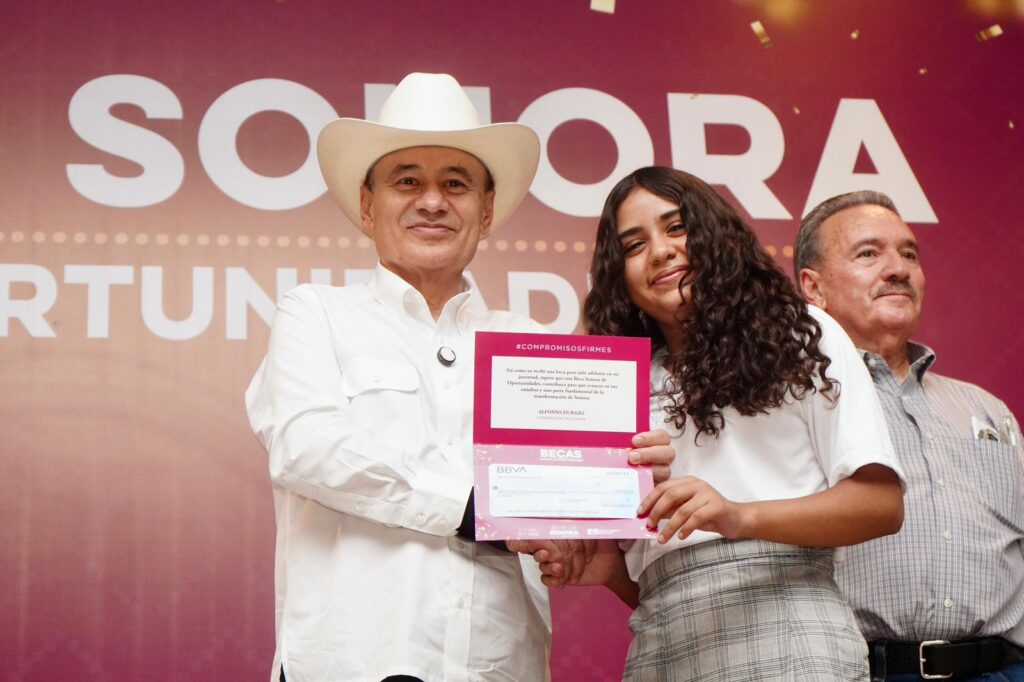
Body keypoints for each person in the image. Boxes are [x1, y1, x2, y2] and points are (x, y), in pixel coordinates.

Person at [245, 73, 673, 682]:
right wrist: (475, 507)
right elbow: (307, 449)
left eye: (455, 183)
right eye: (407, 181)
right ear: (367, 206)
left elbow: (576, 508)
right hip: (351, 660)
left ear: (486, 210)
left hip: (495, 664)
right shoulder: (315, 314)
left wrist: (624, 481)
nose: (432, 202)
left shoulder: (536, 344)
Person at [517, 167, 905, 681]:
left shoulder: (801, 334)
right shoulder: (623, 382)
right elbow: (667, 583)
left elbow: (881, 504)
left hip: (792, 631)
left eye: (676, 227)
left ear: (716, 235)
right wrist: (613, 571)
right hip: (662, 641)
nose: (660, 252)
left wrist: (738, 515)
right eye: (634, 246)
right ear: (619, 276)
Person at [795, 191, 1024, 681]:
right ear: (814, 288)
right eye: (868, 253)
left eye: (909, 254)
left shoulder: (986, 408)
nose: (898, 269)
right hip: (865, 671)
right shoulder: (791, 405)